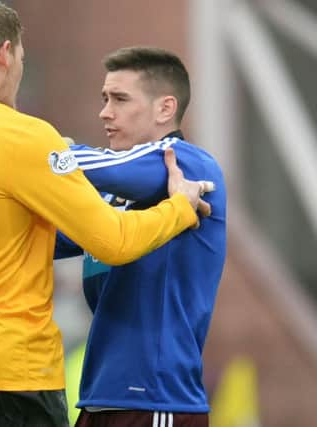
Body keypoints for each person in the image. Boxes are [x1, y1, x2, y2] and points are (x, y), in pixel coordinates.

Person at [0, 2, 213, 426]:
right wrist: (180, 207)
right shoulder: (22, 136)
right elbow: (114, 242)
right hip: (11, 373)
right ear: (5, 54)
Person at [56, 46, 226, 427]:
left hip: (157, 400)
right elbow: (41, 237)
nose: (105, 112)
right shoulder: (109, 193)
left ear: (165, 109)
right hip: (99, 399)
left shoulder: (186, 165)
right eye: (104, 99)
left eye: (119, 99)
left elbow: (108, 170)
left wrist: (34, 149)